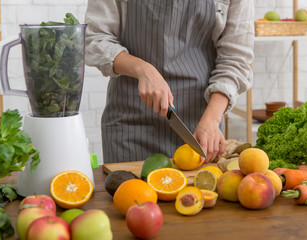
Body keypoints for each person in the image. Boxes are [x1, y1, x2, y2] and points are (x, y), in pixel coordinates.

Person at [84, 0, 254, 164]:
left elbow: (236, 58)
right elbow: (95, 38)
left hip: (199, 129)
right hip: (130, 124)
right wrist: (143, 70)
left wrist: (211, 121)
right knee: (131, 193)